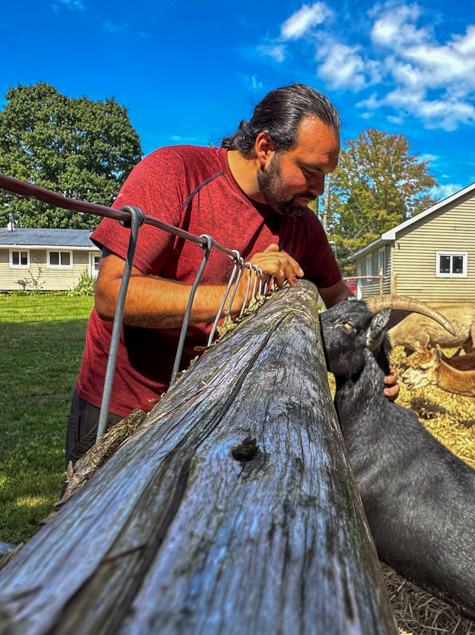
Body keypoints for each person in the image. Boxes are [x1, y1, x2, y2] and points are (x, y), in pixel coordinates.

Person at [66, 83, 397, 468]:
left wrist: (375, 358)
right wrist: (235, 294)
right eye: (310, 171)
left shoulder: (301, 224)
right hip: (125, 405)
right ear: (264, 148)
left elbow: (339, 296)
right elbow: (111, 294)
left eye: (326, 176)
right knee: (97, 524)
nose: (318, 190)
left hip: (218, 407)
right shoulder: (175, 173)